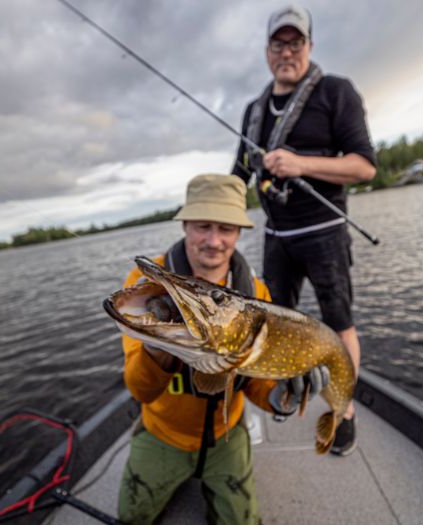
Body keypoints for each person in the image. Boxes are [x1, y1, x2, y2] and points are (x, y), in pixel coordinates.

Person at [117, 174, 327, 525]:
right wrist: (158, 346)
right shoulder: (147, 289)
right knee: (130, 516)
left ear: (238, 233)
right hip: (163, 432)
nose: (214, 241)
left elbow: (256, 382)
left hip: (226, 433)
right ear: (185, 224)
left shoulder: (255, 293)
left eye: (226, 228)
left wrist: (280, 397)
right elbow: (141, 390)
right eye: (203, 226)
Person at [231, 4, 377, 456]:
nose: (287, 51)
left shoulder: (336, 92)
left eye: (296, 42)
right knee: (275, 325)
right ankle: (287, 391)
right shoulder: (254, 109)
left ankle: (343, 410)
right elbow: (238, 174)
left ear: (310, 46)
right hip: (277, 238)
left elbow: (365, 166)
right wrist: (209, 223)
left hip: (325, 231)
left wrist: (300, 163)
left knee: (339, 324)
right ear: (267, 51)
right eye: (279, 43)